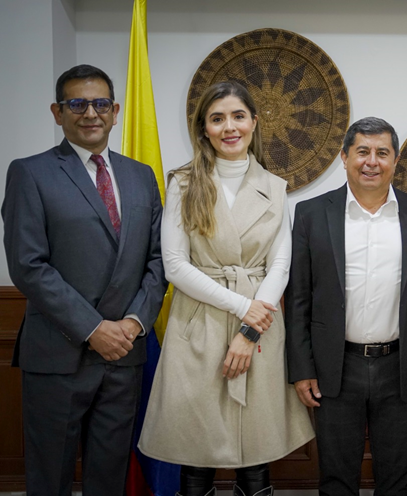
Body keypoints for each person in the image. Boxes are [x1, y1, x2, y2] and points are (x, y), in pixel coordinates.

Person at [137, 81, 314, 496]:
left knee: (255, 447)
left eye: (238, 116)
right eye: (217, 119)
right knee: (195, 448)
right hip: (197, 322)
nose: (229, 127)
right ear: (204, 129)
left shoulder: (275, 186)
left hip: (261, 324)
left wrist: (251, 326)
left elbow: (281, 264)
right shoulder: (184, 183)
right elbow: (176, 265)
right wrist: (243, 306)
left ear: (254, 121)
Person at [2, 64, 166, 496]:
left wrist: (133, 324)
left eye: (99, 104)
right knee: (49, 477)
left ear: (114, 112)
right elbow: (28, 264)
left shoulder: (140, 175)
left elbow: (157, 260)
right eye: (77, 103)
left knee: (108, 478)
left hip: (124, 356)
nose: (89, 113)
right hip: (59, 354)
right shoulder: (30, 173)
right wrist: (93, 330)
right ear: (58, 112)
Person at [285, 117, 407, 495]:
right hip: (335, 366)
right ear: (344, 156)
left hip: (400, 366)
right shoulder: (311, 213)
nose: (372, 161)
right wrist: (301, 369)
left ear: (395, 160)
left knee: (399, 475)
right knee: (336, 476)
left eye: (382, 153)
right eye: (362, 152)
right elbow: (299, 298)